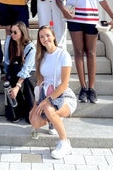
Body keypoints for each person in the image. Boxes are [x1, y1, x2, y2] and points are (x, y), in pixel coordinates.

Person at [55, 0, 113, 104]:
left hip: (91, 19)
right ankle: (83, 88)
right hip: (74, 19)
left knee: (91, 53)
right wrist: (64, 11)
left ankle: (92, 88)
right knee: (78, 52)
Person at [29, 25, 77, 159]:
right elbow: (39, 83)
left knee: (50, 111)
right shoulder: (41, 57)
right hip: (46, 94)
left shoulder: (63, 55)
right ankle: (54, 120)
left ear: (54, 36)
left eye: (47, 35)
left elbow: (64, 84)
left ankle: (64, 143)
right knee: (34, 121)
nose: (45, 39)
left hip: (63, 95)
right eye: (41, 37)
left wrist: (47, 101)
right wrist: (35, 105)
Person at [3, 21, 36, 123]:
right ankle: (15, 112)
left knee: (27, 81)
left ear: (22, 32)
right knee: (9, 80)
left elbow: (27, 69)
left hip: (29, 72)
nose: (12, 34)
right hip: (14, 70)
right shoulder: (9, 41)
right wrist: (6, 73)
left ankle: (31, 111)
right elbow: (7, 60)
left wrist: (17, 86)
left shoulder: (30, 47)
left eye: (15, 32)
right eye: (11, 32)